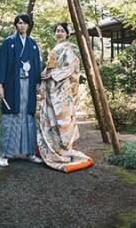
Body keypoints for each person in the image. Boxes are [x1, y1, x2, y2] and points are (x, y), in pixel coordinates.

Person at [36, 22, 93, 172]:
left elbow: (70, 67)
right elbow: (51, 66)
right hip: (51, 88)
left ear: (67, 34)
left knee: (63, 118)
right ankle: (53, 148)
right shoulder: (56, 48)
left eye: (62, 31)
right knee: (51, 117)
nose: (59, 33)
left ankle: (63, 150)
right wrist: (45, 73)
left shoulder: (68, 48)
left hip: (61, 89)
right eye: (57, 31)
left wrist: (52, 74)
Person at [0, 13, 43, 167]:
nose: (22, 26)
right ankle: (4, 154)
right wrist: (0, 85)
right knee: (10, 117)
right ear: (16, 25)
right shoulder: (9, 42)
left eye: (25, 23)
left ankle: (29, 152)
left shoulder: (33, 44)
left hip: (29, 86)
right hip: (13, 85)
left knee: (28, 117)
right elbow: (2, 64)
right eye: (19, 23)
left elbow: (37, 65)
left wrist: (38, 85)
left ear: (28, 25)